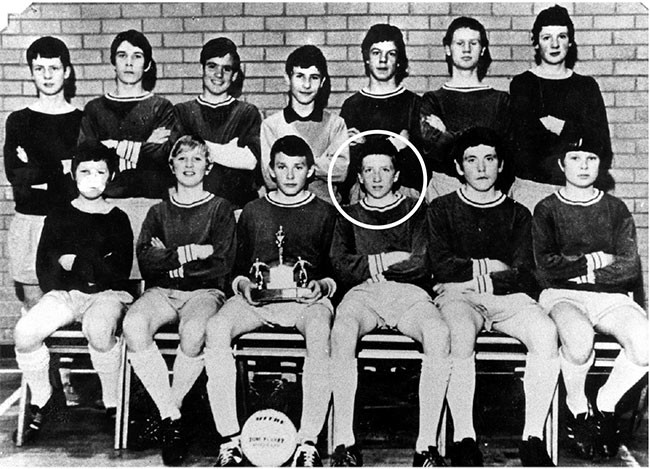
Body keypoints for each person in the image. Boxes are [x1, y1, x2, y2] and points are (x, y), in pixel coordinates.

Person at [426, 127, 559, 466]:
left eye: (489, 159)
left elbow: (524, 271)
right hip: (460, 300)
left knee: (545, 333)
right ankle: (464, 438)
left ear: (501, 166)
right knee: (458, 331)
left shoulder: (518, 214)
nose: (481, 168)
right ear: (459, 167)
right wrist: (492, 267)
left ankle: (533, 438)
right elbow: (441, 266)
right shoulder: (441, 209)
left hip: (506, 298)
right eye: (472, 160)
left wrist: (478, 277)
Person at [205, 135, 336, 467]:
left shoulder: (325, 213)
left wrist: (322, 285)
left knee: (321, 333)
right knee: (217, 327)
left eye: (298, 167)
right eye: (282, 167)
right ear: (271, 171)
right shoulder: (253, 210)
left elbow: (338, 270)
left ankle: (308, 441)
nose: (290, 175)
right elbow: (235, 267)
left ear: (311, 171)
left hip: (306, 302)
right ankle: (230, 440)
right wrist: (243, 283)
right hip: (258, 301)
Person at [329, 138, 450, 467]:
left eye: (384, 169)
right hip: (364, 294)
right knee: (341, 332)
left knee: (438, 334)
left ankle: (426, 446)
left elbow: (422, 262)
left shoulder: (416, 211)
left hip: (408, 295)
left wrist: (374, 262)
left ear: (397, 175)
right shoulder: (349, 214)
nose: (377, 177)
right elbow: (340, 263)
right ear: (360, 176)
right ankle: (345, 443)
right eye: (369, 170)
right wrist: (386, 260)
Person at [122, 135, 236, 466]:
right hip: (160, 291)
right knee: (134, 323)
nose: (189, 165)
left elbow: (222, 263)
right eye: (182, 159)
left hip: (204, 292)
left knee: (195, 332)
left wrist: (169, 257)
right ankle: (172, 416)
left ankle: (169, 413)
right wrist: (191, 253)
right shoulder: (158, 211)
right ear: (171, 166)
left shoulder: (220, 208)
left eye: (197, 159)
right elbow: (146, 260)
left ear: (209, 166)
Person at [532, 138, 648, 460]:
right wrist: (596, 261)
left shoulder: (615, 209)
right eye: (575, 157)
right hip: (562, 295)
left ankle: (605, 404)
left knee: (646, 342)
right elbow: (544, 268)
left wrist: (582, 272)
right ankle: (578, 407)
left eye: (591, 158)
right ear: (561, 164)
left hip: (609, 296)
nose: (583, 165)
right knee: (579, 338)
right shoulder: (547, 209)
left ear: (601, 164)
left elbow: (627, 267)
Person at [13, 143, 133, 444]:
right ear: (73, 175)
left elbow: (116, 274)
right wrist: (93, 263)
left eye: (100, 171)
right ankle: (46, 399)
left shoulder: (118, 218)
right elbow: (47, 271)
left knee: (99, 328)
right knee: (25, 332)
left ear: (111, 175)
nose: (92, 178)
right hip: (65, 295)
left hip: (107, 295)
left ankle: (112, 401)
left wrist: (76, 261)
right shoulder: (58, 215)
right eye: (85, 171)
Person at [78, 29, 176, 273]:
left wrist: (114, 147)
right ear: (113, 62)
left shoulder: (161, 107)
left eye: (137, 56)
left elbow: (162, 155)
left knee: (149, 288)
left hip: (151, 208)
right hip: (106, 208)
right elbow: (87, 157)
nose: (129, 62)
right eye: (122, 55)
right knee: (109, 286)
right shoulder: (95, 109)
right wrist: (143, 148)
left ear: (148, 64)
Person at [4, 36, 82, 314]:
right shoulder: (19, 120)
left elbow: (82, 181)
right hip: (30, 222)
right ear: (31, 72)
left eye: (54, 68)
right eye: (39, 69)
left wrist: (38, 165)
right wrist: (60, 167)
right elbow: (17, 177)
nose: (47, 76)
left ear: (67, 71)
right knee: (34, 305)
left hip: (71, 222)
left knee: (72, 305)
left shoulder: (81, 120)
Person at [509, 5, 613, 213]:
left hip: (577, 192)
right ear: (537, 43)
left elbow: (601, 146)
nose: (555, 44)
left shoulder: (586, 86)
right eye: (547, 37)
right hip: (531, 192)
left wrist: (562, 127)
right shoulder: (523, 84)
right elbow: (526, 148)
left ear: (571, 42)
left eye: (562, 36)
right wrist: (577, 137)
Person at [420, 17, 511, 201]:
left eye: (473, 43)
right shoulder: (432, 99)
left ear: (483, 49)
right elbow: (433, 150)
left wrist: (447, 135)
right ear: (447, 49)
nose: (467, 49)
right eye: (460, 43)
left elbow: (506, 152)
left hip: (490, 190)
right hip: (445, 189)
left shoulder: (500, 100)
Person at [339, 23, 425, 204]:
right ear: (367, 58)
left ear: (399, 60)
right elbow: (345, 170)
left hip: (405, 193)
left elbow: (422, 168)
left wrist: (404, 150)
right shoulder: (352, 105)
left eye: (391, 54)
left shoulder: (414, 103)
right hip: (363, 196)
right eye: (376, 53)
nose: (383, 60)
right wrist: (350, 147)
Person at [175, 37, 262, 210]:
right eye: (212, 66)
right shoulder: (183, 112)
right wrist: (228, 152)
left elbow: (250, 161)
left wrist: (197, 145)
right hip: (193, 210)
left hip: (237, 208)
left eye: (226, 69)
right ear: (202, 69)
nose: (219, 75)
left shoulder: (247, 113)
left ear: (235, 75)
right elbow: (178, 158)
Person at [261, 45, 349, 204]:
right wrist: (321, 163)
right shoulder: (271, 125)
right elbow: (270, 179)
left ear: (322, 82)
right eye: (300, 76)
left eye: (314, 77)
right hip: (284, 209)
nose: (307, 85)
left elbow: (340, 170)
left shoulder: (336, 124)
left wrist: (289, 163)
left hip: (327, 209)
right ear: (288, 78)